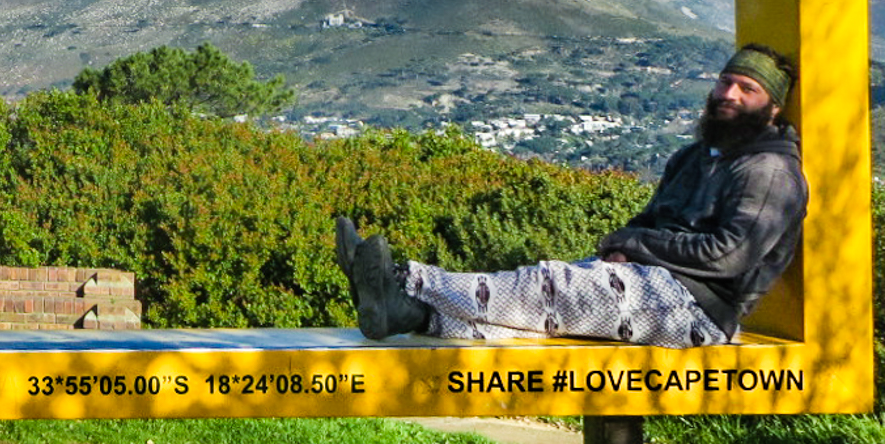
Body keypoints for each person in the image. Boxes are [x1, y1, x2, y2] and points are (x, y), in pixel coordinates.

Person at [335, 44, 808, 348]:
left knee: (548, 285)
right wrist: (626, 248)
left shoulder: (769, 170)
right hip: (650, 285)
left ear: (773, 107)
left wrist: (635, 245)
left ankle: (400, 277)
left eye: (747, 88)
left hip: (699, 314)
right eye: (727, 81)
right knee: (529, 319)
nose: (730, 93)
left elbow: (728, 256)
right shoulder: (694, 156)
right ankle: (408, 312)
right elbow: (647, 224)